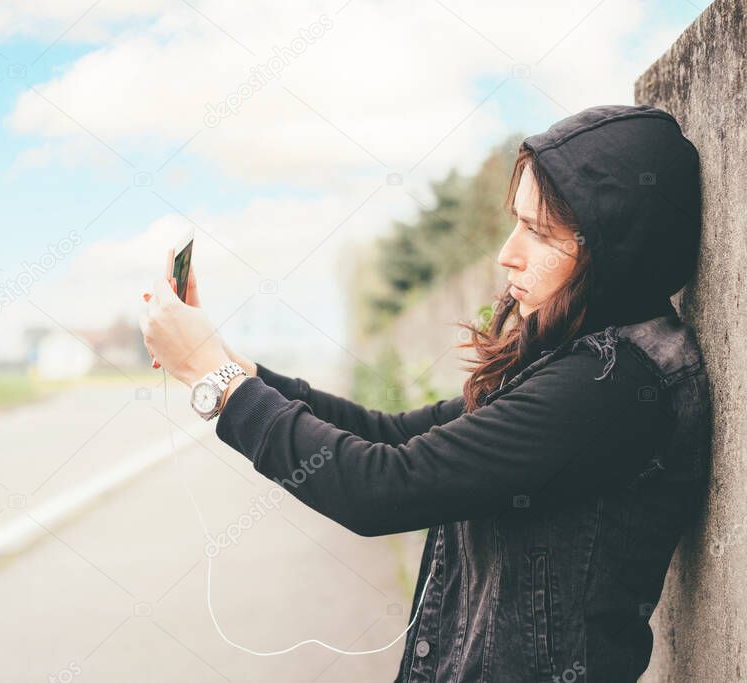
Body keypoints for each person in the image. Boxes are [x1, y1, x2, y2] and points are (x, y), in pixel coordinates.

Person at [139, 103, 711, 682]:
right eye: (516, 221)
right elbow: (394, 436)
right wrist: (233, 366)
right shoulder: (577, 354)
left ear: (612, 248)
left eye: (539, 232)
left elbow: (382, 487)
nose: (507, 252)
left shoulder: (611, 385)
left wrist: (217, 383)